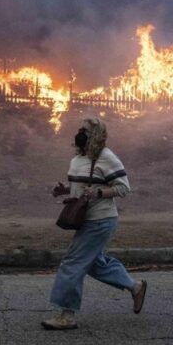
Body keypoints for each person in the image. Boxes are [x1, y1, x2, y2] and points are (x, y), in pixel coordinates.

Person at [41, 117, 147, 330]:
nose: (80, 133)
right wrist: (64, 190)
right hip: (85, 219)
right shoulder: (78, 158)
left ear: (97, 135)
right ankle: (134, 286)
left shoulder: (107, 158)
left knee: (73, 262)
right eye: (80, 129)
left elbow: (124, 188)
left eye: (86, 131)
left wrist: (99, 192)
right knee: (92, 263)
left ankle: (67, 315)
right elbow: (80, 187)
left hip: (100, 220)